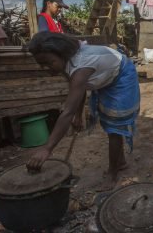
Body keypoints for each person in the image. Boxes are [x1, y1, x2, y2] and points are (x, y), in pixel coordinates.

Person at [26, 32, 140, 191]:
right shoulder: (68, 62)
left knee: (115, 127)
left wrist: (47, 148)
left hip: (122, 74)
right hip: (107, 74)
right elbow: (77, 91)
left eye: (48, 62)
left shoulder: (80, 66)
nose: (46, 69)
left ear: (61, 54)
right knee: (109, 122)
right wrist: (78, 115)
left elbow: (67, 112)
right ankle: (120, 162)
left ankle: (112, 174)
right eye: (42, 65)